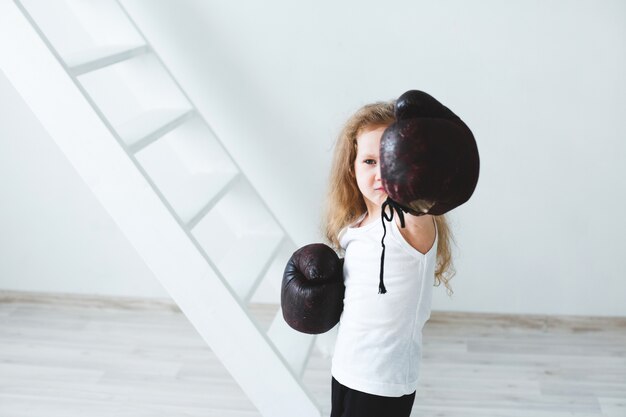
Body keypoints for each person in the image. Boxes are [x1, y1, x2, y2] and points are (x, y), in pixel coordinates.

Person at [322, 100, 456, 417]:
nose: (382, 170)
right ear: (351, 168)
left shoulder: (410, 225)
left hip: (384, 379)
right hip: (346, 366)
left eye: (393, 158)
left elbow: (419, 203)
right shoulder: (354, 227)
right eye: (369, 160)